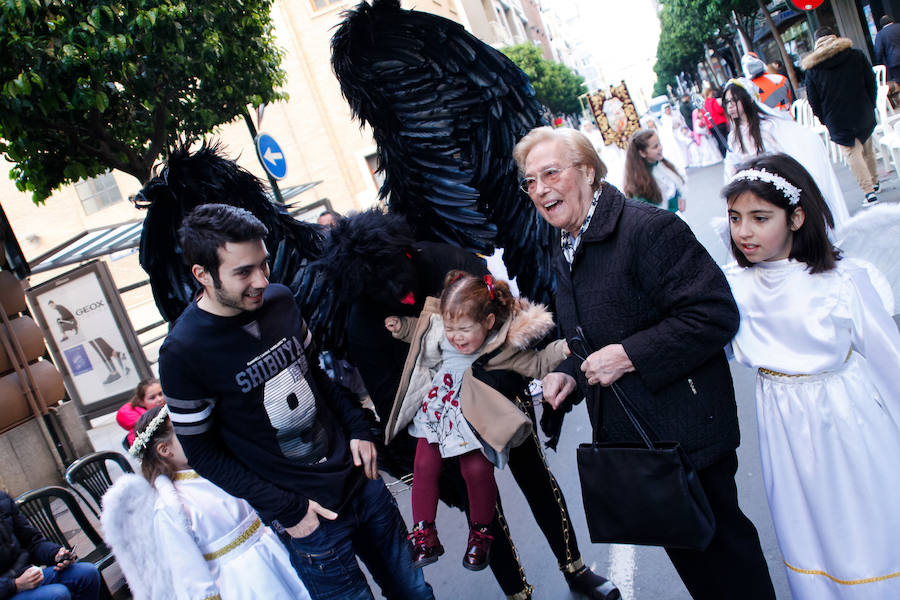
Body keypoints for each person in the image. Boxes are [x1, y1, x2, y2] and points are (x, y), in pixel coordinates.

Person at [513, 125, 776, 600]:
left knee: (727, 561)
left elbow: (714, 314)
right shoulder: (563, 244)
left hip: (689, 434)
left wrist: (630, 356)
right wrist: (569, 374)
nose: (539, 189)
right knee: (697, 566)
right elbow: (589, 337)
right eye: (530, 181)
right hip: (641, 445)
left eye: (551, 173)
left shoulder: (648, 229)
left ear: (588, 172)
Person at [316, 210, 620, 600]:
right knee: (483, 509)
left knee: (536, 478)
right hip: (443, 422)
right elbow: (392, 396)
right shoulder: (363, 318)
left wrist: (499, 392)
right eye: (381, 288)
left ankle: (574, 568)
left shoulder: (449, 261)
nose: (395, 292)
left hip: (498, 392)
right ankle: (518, 593)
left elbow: (509, 330)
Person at [157, 204, 433, 600]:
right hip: (309, 518)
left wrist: (358, 428)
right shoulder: (182, 352)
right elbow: (203, 454)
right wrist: (288, 510)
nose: (260, 280)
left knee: (415, 591)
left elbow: (318, 376)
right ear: (202, 274)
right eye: (242, 272)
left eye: (263, 265)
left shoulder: (281, 300)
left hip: (361, 485)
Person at [722, 153, 900, 599]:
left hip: (848, 420)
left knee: (865, 522)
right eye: (735, 218)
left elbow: (889, 362)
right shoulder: (731, 287)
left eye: (760, 218)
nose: (744, 231)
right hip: (784, 427)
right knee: (807, 525)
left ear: (797, 217)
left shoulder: (843, 281)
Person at [383, 271, 568, 571]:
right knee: (423, 467)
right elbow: (423, 331)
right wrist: (402, 327)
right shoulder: (443, 332)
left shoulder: (501, 346)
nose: (455, 336)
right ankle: (424, 533)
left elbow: (536, 363)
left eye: (464, 329)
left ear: (489, 323)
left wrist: (563, 349)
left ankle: (480, 534)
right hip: (436, 414)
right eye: (451, 327)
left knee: (477, 472)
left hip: (472, 419)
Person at [101, 406, 311, 600]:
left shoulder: (217, 469)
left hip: (273, 553)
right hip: (241, 580)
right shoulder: (170, 505)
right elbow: (187, 567)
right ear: (165, 450)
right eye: (182, 432)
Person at [722, 79, 849, 230]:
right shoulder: (733, 136)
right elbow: (732, 164)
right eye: (727, 101)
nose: (730, 105)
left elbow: (780, 158)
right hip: (750, 191)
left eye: (734, 100)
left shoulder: (767, 127)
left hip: (773, 188)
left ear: (748, 99)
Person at [803, 27, 880, 206]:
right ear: (835, 37)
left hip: (836, 118)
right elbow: (871, 82)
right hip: (862, 109)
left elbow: (813, 100)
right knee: (868, 147)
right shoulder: (855, 55)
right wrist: (871, 104)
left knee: (852, 153)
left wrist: (824, 119)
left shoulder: (812, 68)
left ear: (816, 43)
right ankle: (875, 183)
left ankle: (869, 192)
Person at [0, 490, 100, 600]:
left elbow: (32, 542)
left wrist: (56, 554)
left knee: (87, 574)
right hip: (8, 588)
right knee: (57, 594)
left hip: (25, 576)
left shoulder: (2, 499)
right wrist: (15, 584)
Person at [623, 129, 686, 213]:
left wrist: (680, 196)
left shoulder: (662, 164)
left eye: (659, 143)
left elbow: (674, 185)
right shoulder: (639, 182)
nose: (660, 148)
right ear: (642, 153)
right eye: (655, 147)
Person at [115, 378, 166, 447]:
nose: (160, 399)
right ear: (142, 402)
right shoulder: (140, 426)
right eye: (152, 398)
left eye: (161, 394)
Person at [702, 86, 729, 156]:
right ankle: (729, 154)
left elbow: (705, 117)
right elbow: (719, 110)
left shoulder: (703, 105)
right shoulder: (713, 101)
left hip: (711, 126)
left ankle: (724, 156)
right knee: (725, 140)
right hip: (719, 123)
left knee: (719, 141)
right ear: (710, 93)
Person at [875, 15, 900, 83]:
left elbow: (878, 52)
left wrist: (879, 63)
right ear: (891, 20)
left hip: (895, 62)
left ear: (882, 24)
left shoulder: (880, 34)